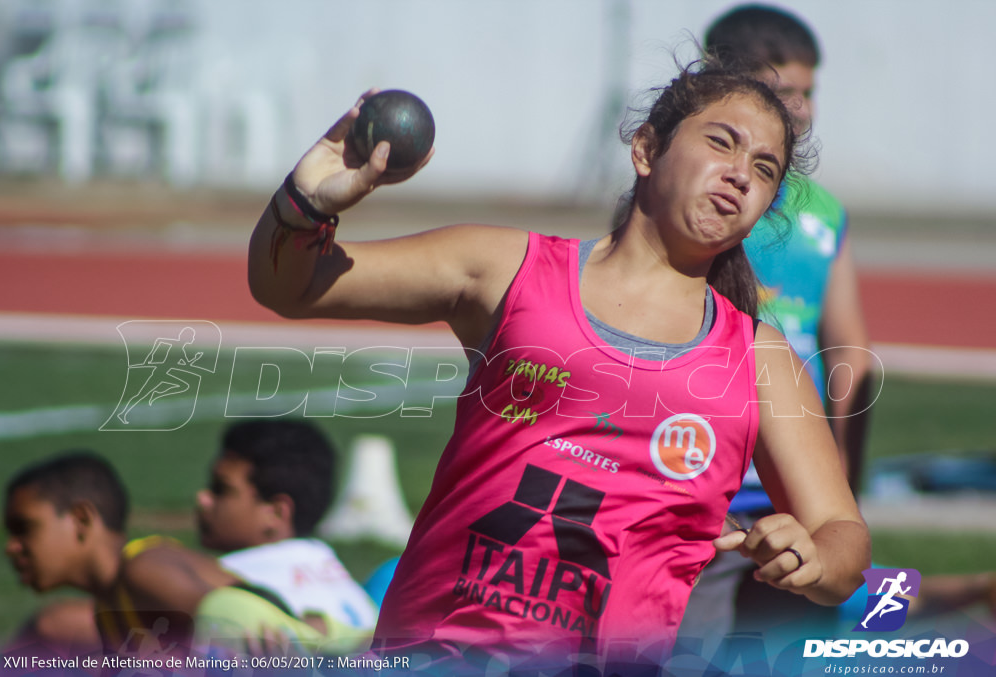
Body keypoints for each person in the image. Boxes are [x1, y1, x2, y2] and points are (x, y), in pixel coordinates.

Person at [246, 56, 870, 672]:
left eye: (764, 169)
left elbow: (842, 535)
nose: (740, 174)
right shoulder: (505, 270)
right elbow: (291, 287)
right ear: (646, 150)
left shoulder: (759, 360)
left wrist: (815, 559)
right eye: (721, 143)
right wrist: (306, 203)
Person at [676, 4, 875, 653]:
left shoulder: (824, 214)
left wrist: (839, 475)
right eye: (780, 90)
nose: (800, 108)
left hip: (794, 480)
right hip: (705, 473)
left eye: (807, 92)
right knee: (686, 647)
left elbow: (851, 352)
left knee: (797, 646)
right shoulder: (703, 195)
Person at [2, 450, 335, 661]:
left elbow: (239, 617)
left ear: (81, 519)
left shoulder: (143, 570)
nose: (12, 547)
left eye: (25, 528)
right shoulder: (110, 608)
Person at [195, 419, 379, 651]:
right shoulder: (337, 572)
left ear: (276, 513)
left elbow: (148, 562)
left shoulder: (235, 576)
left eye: (221, 489)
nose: (203, 498)